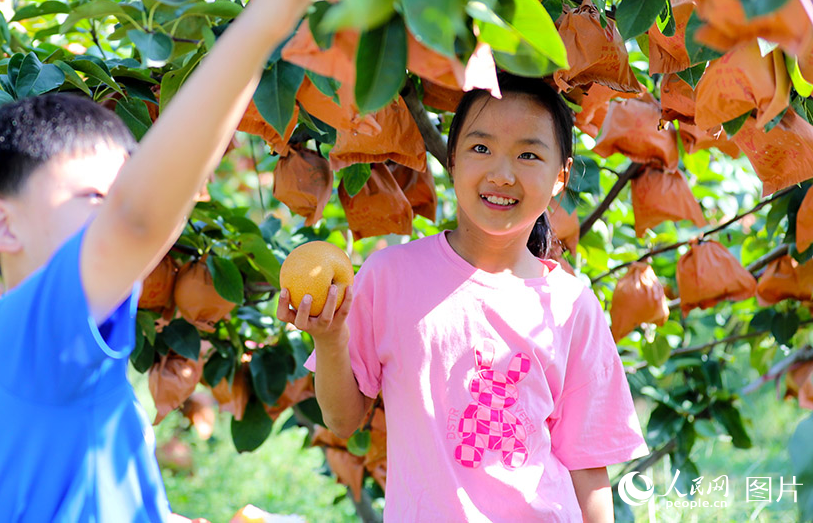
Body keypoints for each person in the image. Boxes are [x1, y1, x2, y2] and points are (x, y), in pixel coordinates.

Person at [0, 0, 337, 523]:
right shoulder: (22, 330)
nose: (111, 215)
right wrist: (269, 16)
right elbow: (137, 219)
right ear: (3, 224)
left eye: (117, 192)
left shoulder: (33, 348)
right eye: (92, 197)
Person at [278, 73, 649, 522]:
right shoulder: (389, 276)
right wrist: (330, 338)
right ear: (452, 160)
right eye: (481, 148)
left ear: (561, 176)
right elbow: (342, 420)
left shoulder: (572, 305)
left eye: (529, 154)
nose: (502, 173)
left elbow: (587, 468)